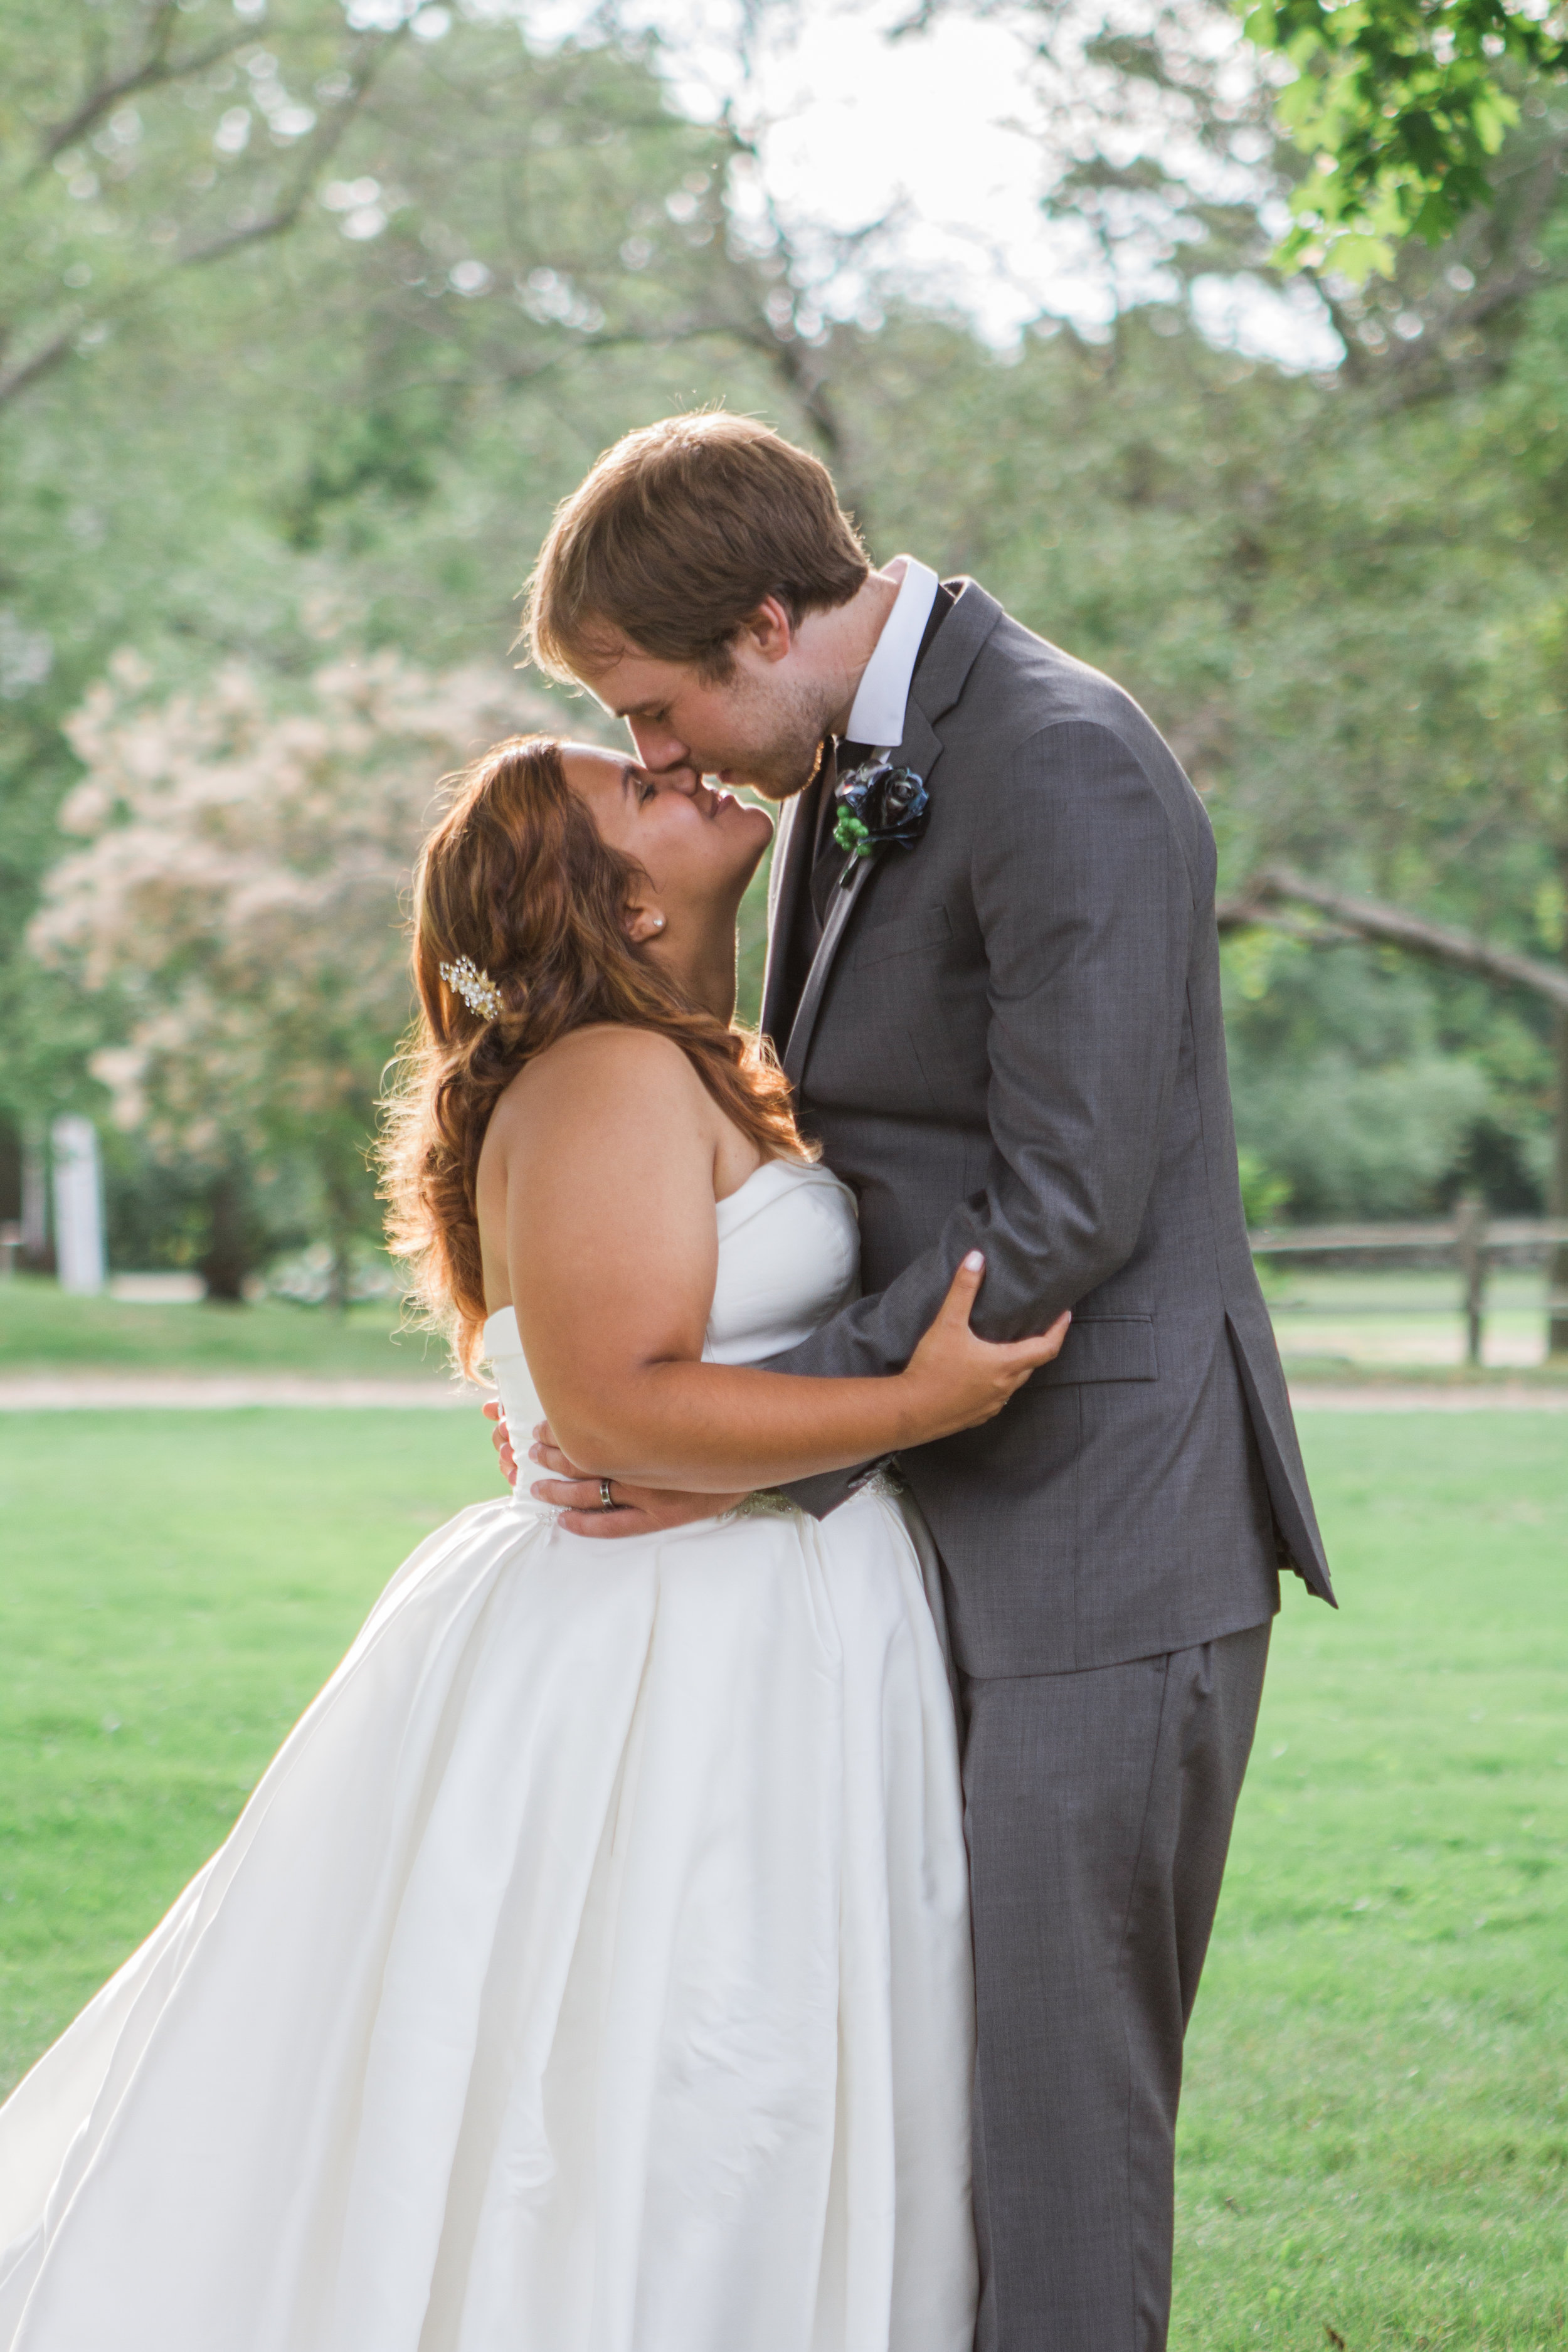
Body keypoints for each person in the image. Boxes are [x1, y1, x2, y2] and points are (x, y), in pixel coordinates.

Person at [0, 736, 1072, 2352]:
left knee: (750, 2049)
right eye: (639, 790)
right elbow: (619, 1408)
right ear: (617, 908)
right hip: (662, 1651)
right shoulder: (607, 1080)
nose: (689, 767)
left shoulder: (692, 1065)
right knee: (667, 2058)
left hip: (756, 1619)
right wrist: (918, 1403)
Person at [495, 411, 1337, 2352]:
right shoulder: (857, 766)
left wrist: (751, 1454)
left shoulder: (1055, 764)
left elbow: (1054, 1217)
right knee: (924, 2095)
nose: (652, 756)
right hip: (934, 1536)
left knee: (1057, 2110)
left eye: (651, 705)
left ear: (767, 624)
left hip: (1101, 1546)